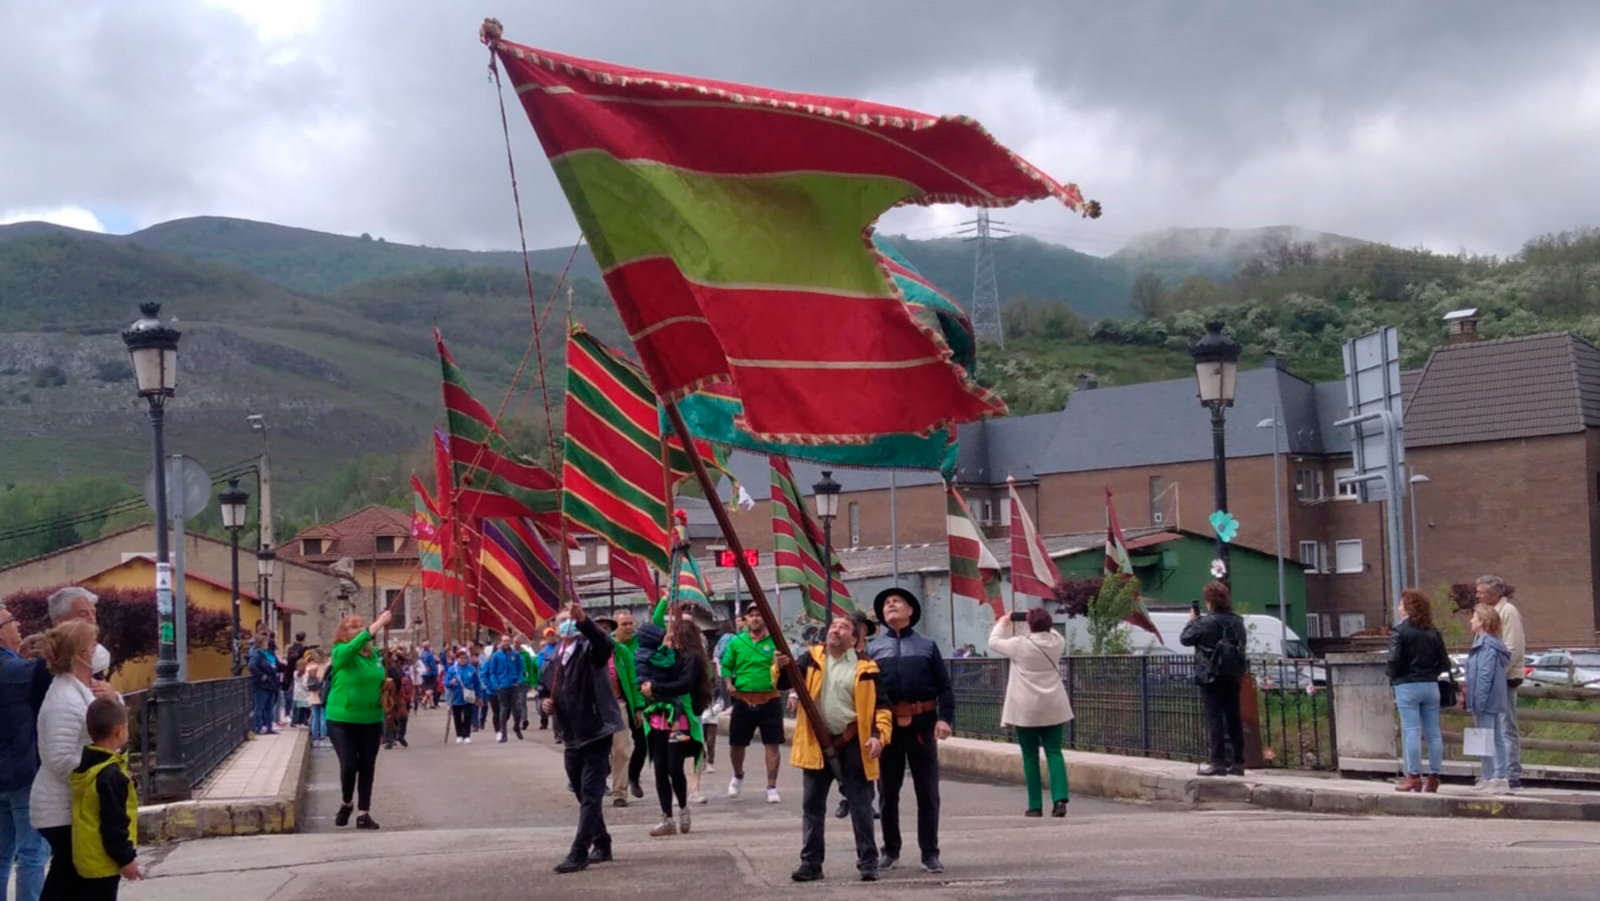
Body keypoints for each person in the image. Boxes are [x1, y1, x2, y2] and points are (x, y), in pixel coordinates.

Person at [785, 612, 892, 883]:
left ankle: (868, 862)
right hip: (817, 741)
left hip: (853, 742)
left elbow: (882, 707)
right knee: (812, 805)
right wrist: (781, 665)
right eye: (833, 625)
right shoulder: (810, 658)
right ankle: (811, 863)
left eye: (843, 627)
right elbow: (783, 682)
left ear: (855, 640)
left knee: (861, 805)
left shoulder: (866, 667)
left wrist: (879, 736)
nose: (835, 630)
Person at [867, 587, 953, 874]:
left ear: (910, 611)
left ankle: (930, 852)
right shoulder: (873, 649)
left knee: (927, 792)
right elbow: (865, 693)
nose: (891, 605)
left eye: (897, 602)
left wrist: (945, 719)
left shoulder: (927, 645)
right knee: (888, 794)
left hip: (922, 727)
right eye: (887, 603)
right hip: (887, 729)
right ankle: (890, 850)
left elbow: (945, 687)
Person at [536, 603, 623, 874]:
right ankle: (602, 842)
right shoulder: (551, 662)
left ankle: (579, 852)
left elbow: (603, 644)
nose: (567, 623)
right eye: (562, 620)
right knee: (579, 790)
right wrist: (543, 705)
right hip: (570, 735)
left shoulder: (589, 651)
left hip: (596, 731)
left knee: (591, 793)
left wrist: (585, 620)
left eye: (569, 619)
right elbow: (542, 691)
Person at [33, 621, 101, 900]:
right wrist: (100, 773)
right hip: (62, 809)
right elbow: (60, 758)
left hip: (68, 806)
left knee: (66, 877)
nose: (98, 649)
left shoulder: (80, 690)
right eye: (93, 644)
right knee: (71, 878)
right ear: (80, 654)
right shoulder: (64, 698)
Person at [989, 607, 1073, 817]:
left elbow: (993, 641)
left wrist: (1004, 620)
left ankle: (1035, 805)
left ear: (1029, 624)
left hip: (1025, 707)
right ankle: (1060, 799)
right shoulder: (1057, 643)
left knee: (1029, 756)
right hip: (1054, 705)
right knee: (1054, 752)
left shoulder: (1019, 644)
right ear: (1049, 624)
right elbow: (1053, 633)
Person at [637, 617, 710, 837]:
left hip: (680, 718)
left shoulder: (693, 659)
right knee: (659, 767)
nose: (667, 636)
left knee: (673, 767)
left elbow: (684, 685)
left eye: (672, 632)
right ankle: (666, 817)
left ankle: (683, 809)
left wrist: (656, 687)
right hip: (658, 717)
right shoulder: (664, 656)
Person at [325, 609, 394, 830]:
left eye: (360, 627)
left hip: (371, 718)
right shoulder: (341, 654)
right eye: (352, 629)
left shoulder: (375, 657)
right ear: (344, 636)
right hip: (342, 719)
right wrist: (379, 622)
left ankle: (364, 813)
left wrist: (387, 686)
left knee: (367, 766)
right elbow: (355, 645)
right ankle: (347, 802)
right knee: (348, 765)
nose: (358, 632)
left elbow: (378, 678)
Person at [2, 599, 52, 901]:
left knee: (1, 856)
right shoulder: (16, 671)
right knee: (32, 853)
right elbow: (46, 676)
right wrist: (50, 648)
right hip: (21, 774)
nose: (18, 624)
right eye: (10, 621)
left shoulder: (12, 667)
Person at [68, 698, 140, 899]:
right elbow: (113, 823)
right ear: (119, 731)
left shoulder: (87, 766)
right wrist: (126, 859)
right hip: (104, 859)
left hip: (86, 856)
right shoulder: (110, 775)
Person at [1180, 582, 1249, 777]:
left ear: (1209, 602)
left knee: (1215, 718)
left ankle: (1218, 762)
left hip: (1210, 675)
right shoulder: (1237, 621)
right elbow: (1242, 642)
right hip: (1232, 674)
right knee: (1233, 717)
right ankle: (1238, 762)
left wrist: (1192, 620)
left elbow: (1185, 639)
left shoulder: (1204, 622)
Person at [1388, 589, 1451, 793]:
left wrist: (1393, 675)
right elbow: (1444, 662)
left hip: (1407, 684)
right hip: (1431, 685)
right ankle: (1434, 776)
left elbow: (1394, 659)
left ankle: (1413, 776)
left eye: (1401, 604)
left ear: (1408, 607)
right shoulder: (1433, 631)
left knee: (1412, 731)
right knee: (1433, 733)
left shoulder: (1400, 631)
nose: (1398, 607)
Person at [722, 602, 784, 804]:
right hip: (743, 699)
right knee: (736, 744)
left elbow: (789, 667)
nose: (755, 618)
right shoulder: (737, 642)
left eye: (759, 615)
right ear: (745, 620)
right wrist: (729, 683)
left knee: (772, 744)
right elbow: (726, 665)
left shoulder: (776, 641)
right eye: (752, 615)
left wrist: (781, 662)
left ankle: (772, 786)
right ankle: (738, 774)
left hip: (770, 699)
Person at [1476, 576, 1526, 789]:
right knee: (1487, 726)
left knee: (1505, 725)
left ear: (1494, 594)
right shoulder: (1485, 614)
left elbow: (1513, 648)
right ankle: (1490, 772)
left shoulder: (1508, 612)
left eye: (1481, 592)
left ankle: (1509, 772)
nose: (1477, 595)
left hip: (1503, 679)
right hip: (1489, 678)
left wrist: (1496, 674)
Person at [1464, 603, 1513, 794]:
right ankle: (1494, 775)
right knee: (1493, 738)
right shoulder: (1486, 644)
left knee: (1488, 738)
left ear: (1483, 622)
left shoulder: (1486, 646)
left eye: (1474, 617)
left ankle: (1495, 777)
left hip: (1486, 699)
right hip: (1491, 698)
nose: (1471, 620)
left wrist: (1478, 701)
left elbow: (1484, 675)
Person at [486, 635, 526, 743]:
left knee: (517, 710)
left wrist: (519, 681)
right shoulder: (496, 656)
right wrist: (496, 684)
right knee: (504, 711)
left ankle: (516, 726)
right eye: (504, 641)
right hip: (502, 686)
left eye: (508, 641)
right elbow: (492, 672)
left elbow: (520, 669)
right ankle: (504, 734)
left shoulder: (515, 655)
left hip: (514, 686)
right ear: (501, 642)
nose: (506, 643)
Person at [445, 650, 484, 744]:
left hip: (468, 696)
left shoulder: (471, 669)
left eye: (465, 658)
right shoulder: (452, 670)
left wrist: (479, 696)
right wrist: (451, 682)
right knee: (457, 717)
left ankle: (467, 735)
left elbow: (477, 683)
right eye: (461, 658)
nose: (463, 660)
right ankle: (459, 735)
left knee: (467, 717)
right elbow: (446, 682)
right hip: (456, 697)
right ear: (457, 659)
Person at [380, 650, 412, 750]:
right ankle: (389, 739)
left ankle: (400, 736)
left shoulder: (398, 666)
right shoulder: (384, 666)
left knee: (403, 716)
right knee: (389, 718)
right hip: (389, 694)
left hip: (399, 694)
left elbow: (404, 658)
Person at [247, 635, 279, 735]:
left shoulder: (268, 654)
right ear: (260, 644)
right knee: (259, 707)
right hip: (262, 685)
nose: (267, 645)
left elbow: (275, 665)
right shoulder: (256, 654)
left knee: (269, 707)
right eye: (265, 643)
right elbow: (252, 666)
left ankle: (269, 727)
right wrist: (262, 676)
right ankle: (258, 727)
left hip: (271, 684)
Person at [304, 651, 328, 750]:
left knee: (315, 715)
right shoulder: (324, 667)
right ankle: (323, 735)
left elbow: (306, 681)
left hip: (312, 694)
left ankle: (315, 736)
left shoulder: (309, 667)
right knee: (323, 715)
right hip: (322, 693)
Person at [534, 630, 558, 730]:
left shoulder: (560, 647)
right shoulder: (543, 652)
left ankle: (559, 733)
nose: (551, 638)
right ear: (545, 638)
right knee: (547, 702)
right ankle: (544, 722)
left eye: (552, 636)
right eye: (549, 636)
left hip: (559, 681)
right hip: (547, 681)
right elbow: (540, 665)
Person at [418, 641, 438, 710]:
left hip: (423, 673)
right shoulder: (429, 655)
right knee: (433, 688)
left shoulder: (421, 654)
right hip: (431, 673)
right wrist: (435, 672)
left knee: (427, 688)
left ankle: (430, 703)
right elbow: (433, 664)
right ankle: (423, 701)